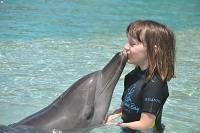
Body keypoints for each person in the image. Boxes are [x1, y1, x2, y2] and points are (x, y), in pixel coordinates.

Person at [105, 20, 175, 133]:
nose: (126, 47)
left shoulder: (154, 84)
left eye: (132, 44)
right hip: (127, 129)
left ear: (154, 50)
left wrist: (117, 124)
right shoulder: (131, 77)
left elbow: (146, 123)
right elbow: (126, 108)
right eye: (127, 42)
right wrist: (112, 115)